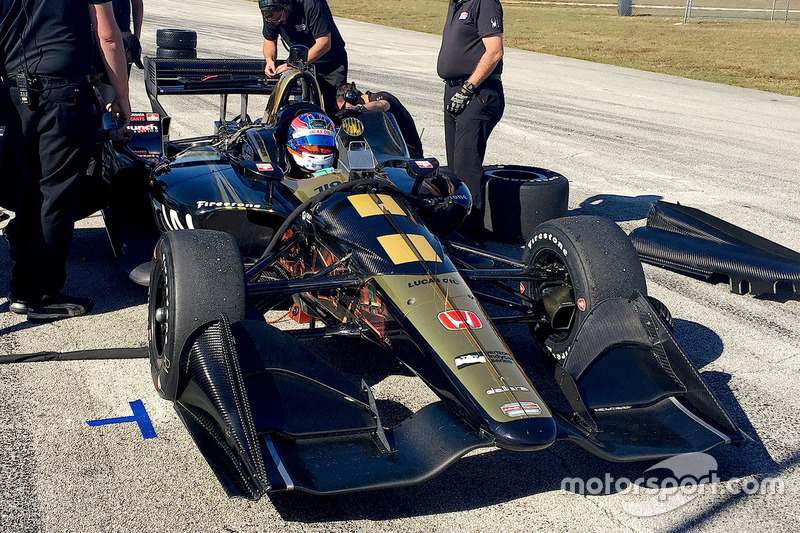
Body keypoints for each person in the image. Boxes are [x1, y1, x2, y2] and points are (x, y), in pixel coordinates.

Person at [0, 0, 130, 321]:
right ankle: (42, 294)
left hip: (15, 93)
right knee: (56, 195)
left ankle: (23, 287)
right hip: (63, 91)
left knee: (32, 188)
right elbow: (109, 36)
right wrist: (122, 96)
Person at [437, 0, 505, 241]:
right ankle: (457, 229)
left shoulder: (484, 2)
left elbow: (495, 50)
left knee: (467, 167)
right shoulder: (456, 5)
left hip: (477, 93)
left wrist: (467, 89)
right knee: (454, 169)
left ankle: (472, 238)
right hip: (454, 90)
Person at [258, 0, 347, 116]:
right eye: (272, 21)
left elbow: (324, 43)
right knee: (302, 111)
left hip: (330, 64)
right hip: (300, 64)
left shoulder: (313, 5)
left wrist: (294, 64)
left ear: (287, 6)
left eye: (279, 19)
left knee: (335, 111)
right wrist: (269, 60)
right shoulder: (270, 12)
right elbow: (270, 40)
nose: (277, 23)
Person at [335, 82, 424, 159]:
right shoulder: (362, 113)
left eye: (343, 107)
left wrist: (358, 109)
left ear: (351, 97)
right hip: (388, 151)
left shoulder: (381, 97)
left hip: (408, 153)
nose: (344, 110)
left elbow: (382, 105)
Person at [284, 111, 337, 179]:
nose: (317, 150)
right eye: (310, 146)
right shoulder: (283, 172)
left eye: (324, 146)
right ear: (292, 143)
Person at [112, 0, 144, 73]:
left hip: (124, 40)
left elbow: (137, 3)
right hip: (94, 40)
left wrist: (135, 38)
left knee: (119, 82)